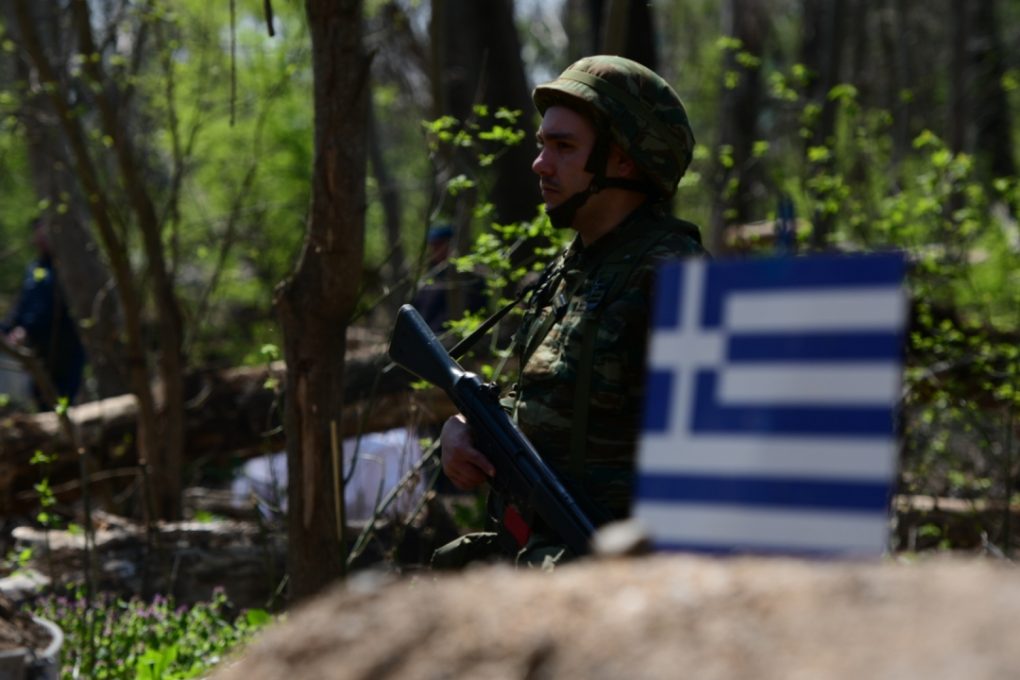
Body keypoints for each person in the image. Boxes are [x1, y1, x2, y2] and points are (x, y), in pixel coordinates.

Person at [433, 55, 707, 569]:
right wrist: (464, 428)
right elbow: (542, 402)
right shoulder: (570, 268)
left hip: (620, 575)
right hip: (533, 558)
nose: (540, 164)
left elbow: (710, 460)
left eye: (563, 147)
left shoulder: (672, 275)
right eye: (543, 145)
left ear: (623, 161)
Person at [1, 218, 86, 411]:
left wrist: (26, 330)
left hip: (67, 352)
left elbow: (47, 310)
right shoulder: (34, 270)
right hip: (40, 354)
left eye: (46, 233)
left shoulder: (70, 270)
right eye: (39, 234)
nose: (42, 239)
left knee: (64, 401)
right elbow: (23, 306)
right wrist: (7, 328)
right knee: (42, 401)